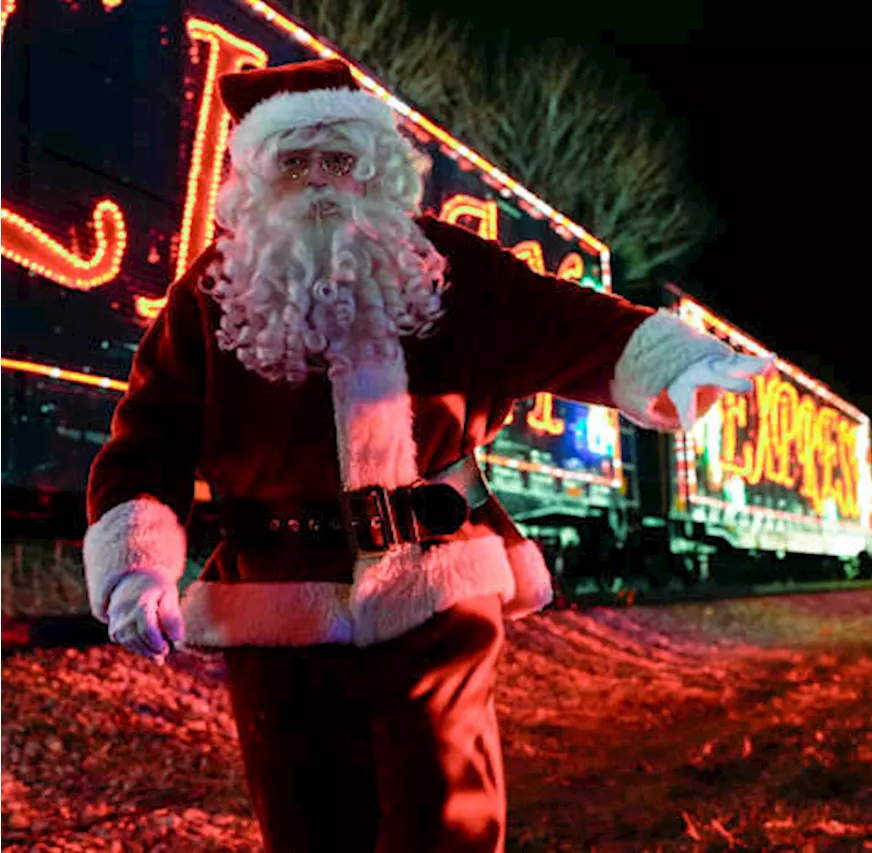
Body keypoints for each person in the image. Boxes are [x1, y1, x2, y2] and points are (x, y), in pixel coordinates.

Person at [80, 58, 770, 852]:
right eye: (292, 163)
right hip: (275, 605)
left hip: (436, 588)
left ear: (370, 169)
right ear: (255, 177)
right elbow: (150, 436)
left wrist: (674, 361)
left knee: (449, 820)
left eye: (336, 160)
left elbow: (561, 321)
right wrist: (139, 566)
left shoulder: (446, 266)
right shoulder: (209, 294)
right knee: (308, 824)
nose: (317, 182)